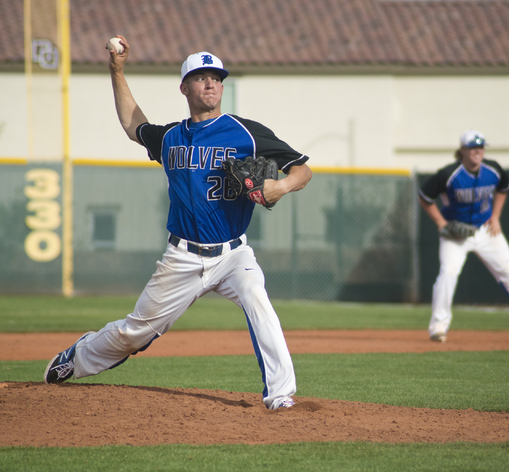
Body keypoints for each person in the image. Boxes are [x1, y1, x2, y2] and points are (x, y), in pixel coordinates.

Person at [44, 36, 312, 410]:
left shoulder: (245, 133)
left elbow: (303, 169)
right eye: (201, 77)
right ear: (184, 87)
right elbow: (133, 125)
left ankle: (281, 394)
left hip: (234, 252)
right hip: (182, 257)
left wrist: (279, 187)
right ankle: (78, 357)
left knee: (257, 298)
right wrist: (116, 71)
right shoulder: (171, 137)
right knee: (134, 333)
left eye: (217, 77)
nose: (211, 84)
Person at [418, 130, 509, 343]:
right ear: (462, 151)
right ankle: (438, 328)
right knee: (448, 273)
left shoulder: (493, 169)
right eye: (473, 148)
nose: (478, 151)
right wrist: (441, 223)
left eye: (481, 147)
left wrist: (496, 216)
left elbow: (503, 188)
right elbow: (425, 197)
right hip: (455, 234)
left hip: (486, 230)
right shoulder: (448, 174)